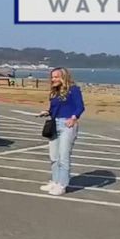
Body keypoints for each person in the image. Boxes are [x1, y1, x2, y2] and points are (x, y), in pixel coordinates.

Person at [38, 67, 84, 196]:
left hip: (67, 125)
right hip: (55, 124)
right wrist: (47, 112)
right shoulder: (54, 92)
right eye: (52, 77)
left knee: (63, 156)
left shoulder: (73, 90)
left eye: (57, 77)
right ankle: (55, 181)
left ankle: (62, 185)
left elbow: (80, 106)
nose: (54, 79)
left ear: (64, 77)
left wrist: (74, 117)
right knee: (54, 156)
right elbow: (53, 109)